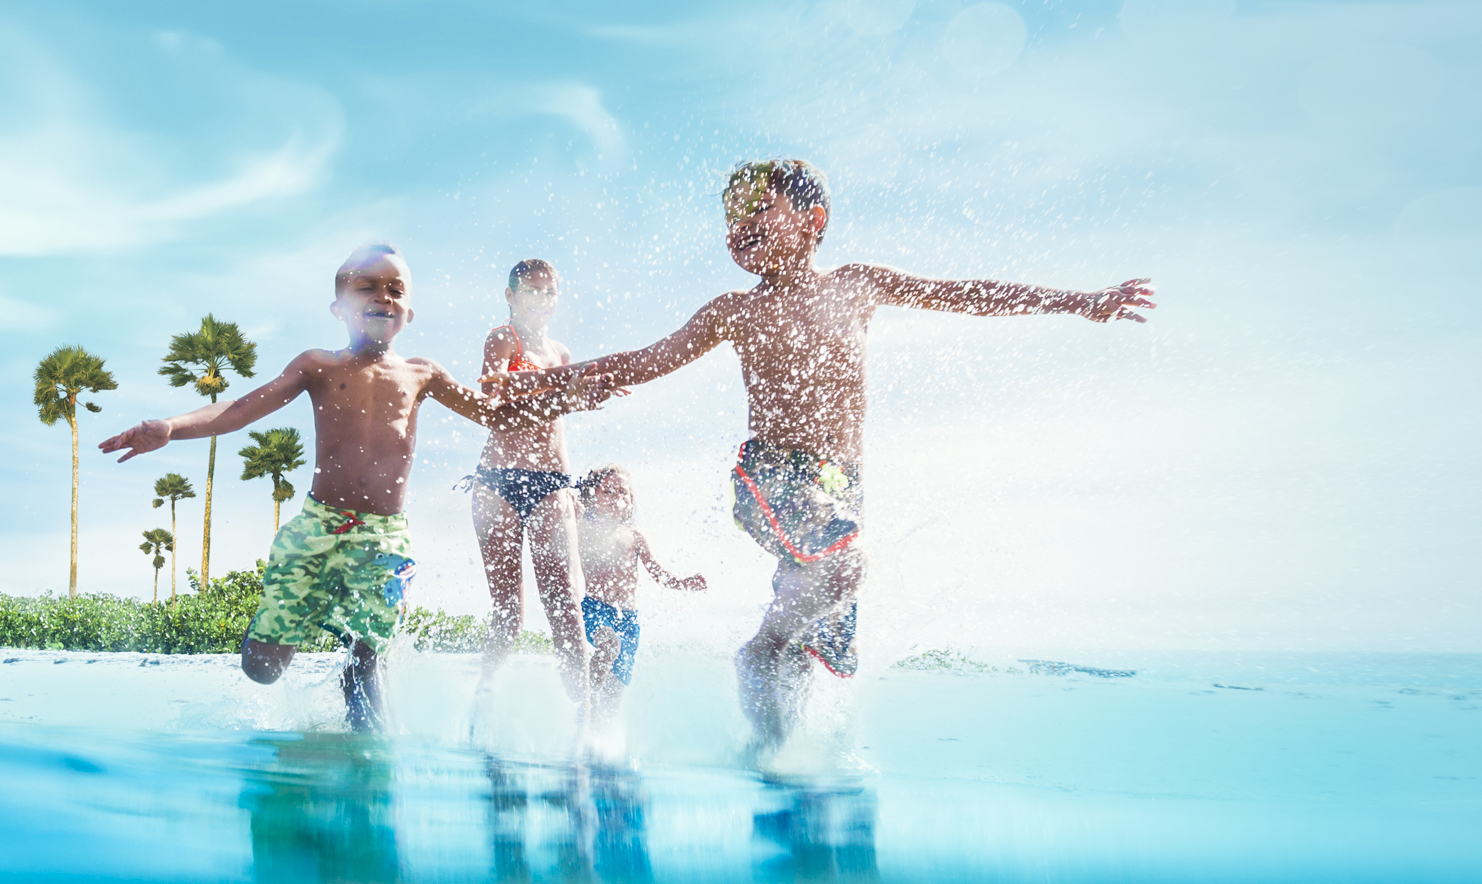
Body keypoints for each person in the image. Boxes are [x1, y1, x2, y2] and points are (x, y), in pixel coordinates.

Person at [496, 159, 1154, 746]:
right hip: (772, 475)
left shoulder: (858, 285)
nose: (739, 225)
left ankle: (771, 754)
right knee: (842, 568)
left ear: (813, 219)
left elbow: (967, 294)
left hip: (842, 489)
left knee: (813, 654)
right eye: (730, 217)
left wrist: (1083, 303)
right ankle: (758, 649)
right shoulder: (735, 311)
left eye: (757, 209)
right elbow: (648, 358)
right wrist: (547, 383)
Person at [100, 243, 510, 730]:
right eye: (368, 288)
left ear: (410, 311)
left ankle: (365, 768)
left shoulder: (423, 373)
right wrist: (172, 426)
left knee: (368, 665)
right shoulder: (319, 365)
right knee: (262, 671)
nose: (383, 297)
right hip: (317, 527)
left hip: (384, 537)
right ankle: (293, 620)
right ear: (340, 309)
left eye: (395, 290)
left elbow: (496, 415)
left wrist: (575, 392)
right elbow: (240, 409)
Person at [466, 257, 589, 726]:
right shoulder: (503, 338)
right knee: (508, 610)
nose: (541, 299)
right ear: (511, 297)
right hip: (498, 483)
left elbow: (560, 421)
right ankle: (483, 699)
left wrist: (570, 484)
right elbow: (494, 393)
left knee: (566, 607)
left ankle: (586, 716)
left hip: (552, 483)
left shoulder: (560, 352)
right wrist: (565, 388)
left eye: (549, 291)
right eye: (531, 291)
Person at [569, 468, 702, 723]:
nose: (615, 496)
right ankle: (587, 704)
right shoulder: (584, 526)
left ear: (630, 501)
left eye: (622, 492)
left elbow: (658, 573)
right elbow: (563, 519)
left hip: (629, 619)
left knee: (615, 694)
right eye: (606, 491)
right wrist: (572, 504)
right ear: (592, 496)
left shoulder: (635, 536)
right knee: (609, 646)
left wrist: (684, 583)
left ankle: (600, 735)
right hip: (596, 608)